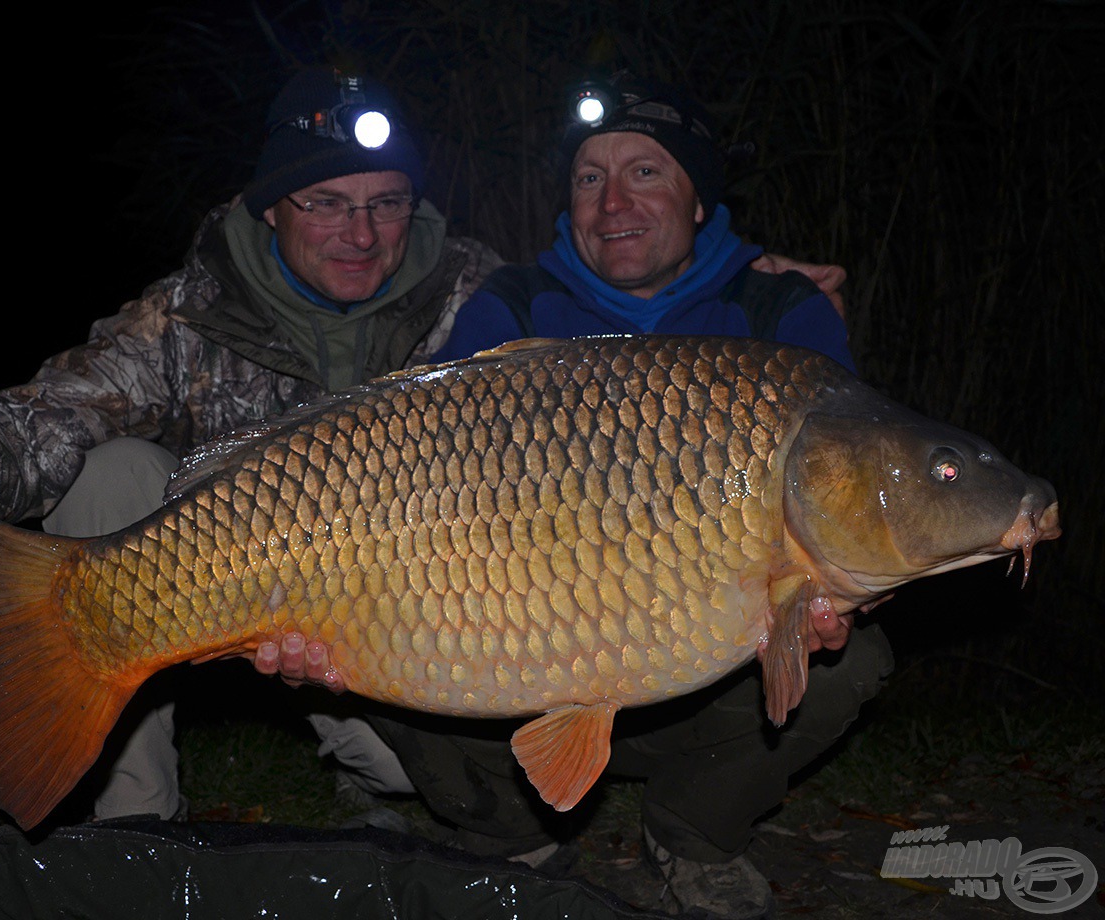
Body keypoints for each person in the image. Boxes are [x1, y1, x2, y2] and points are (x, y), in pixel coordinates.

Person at [0, 66, 504, 823]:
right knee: (109, 474)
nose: (363, 234)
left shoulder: (477, 304)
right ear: (272, 207)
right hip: (213, 583)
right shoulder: (192, 312)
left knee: (424, 773)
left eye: (388, 204)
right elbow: (61, 404)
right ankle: (135, 827)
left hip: (412, 608)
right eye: (327, 205)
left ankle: (378, 775)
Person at [352, 71, 894, 920]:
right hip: (513, 645)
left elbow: (849, 476)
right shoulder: (514, 304)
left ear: (700, 198)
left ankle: (694, 834)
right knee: (382, 605)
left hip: (705, 676)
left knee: (847, 657)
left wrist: (826, 596)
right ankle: (511, 839)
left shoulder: (780, 309)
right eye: (588, 178)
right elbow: (417, 460)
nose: (612, 203)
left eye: (646, 171)